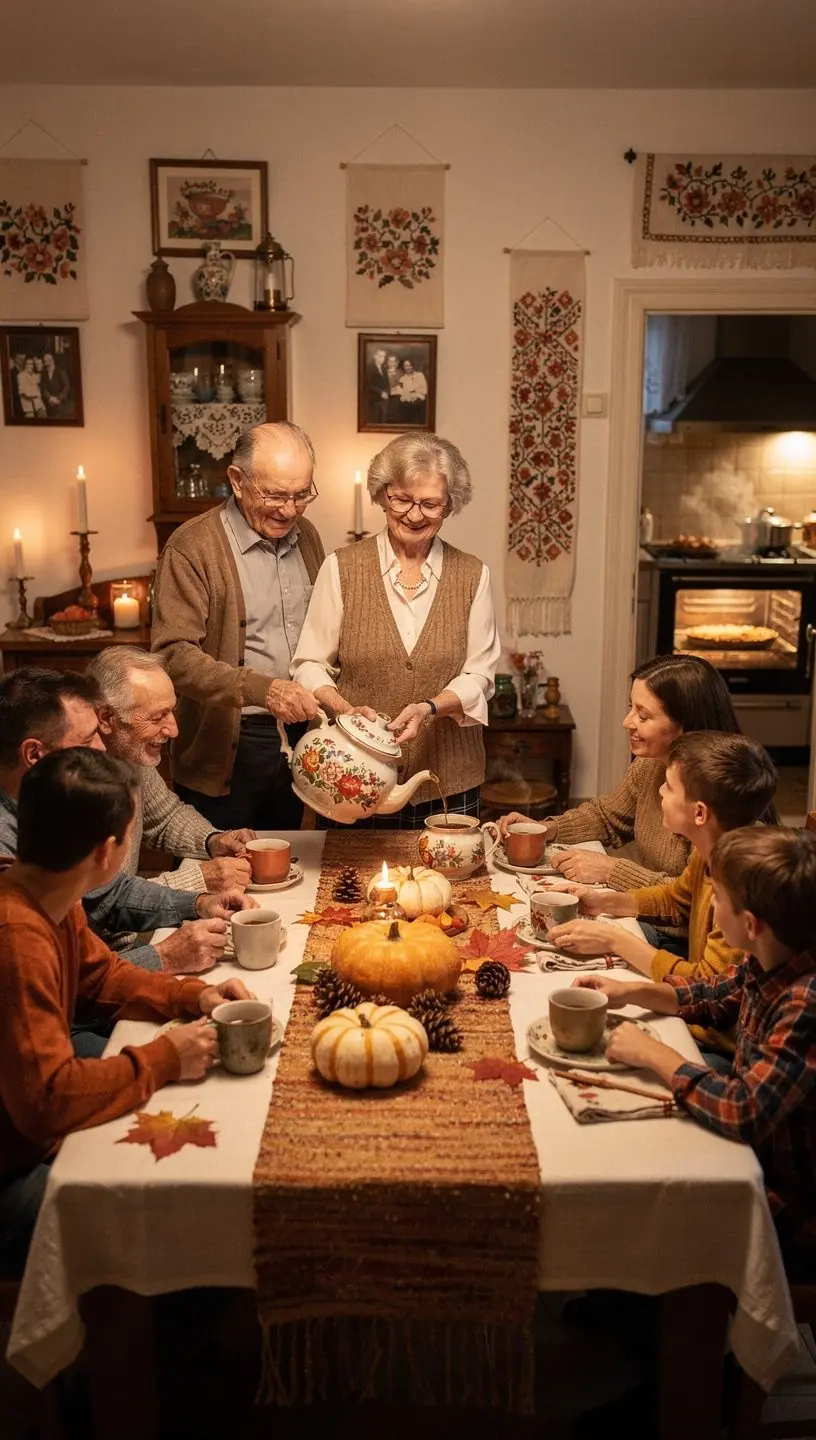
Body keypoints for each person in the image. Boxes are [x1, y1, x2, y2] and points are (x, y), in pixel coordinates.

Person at [0, 747, 252, 1276]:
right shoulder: (17, 936)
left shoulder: (46, 889)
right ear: (108, 850)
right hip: (13, 1167)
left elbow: (103, 977)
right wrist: (164, 1057)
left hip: (27, 1130)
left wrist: (192, 997)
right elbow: (48, 1099)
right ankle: (131, 1345)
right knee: (167, 1207)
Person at [574, 825, 816, 1279]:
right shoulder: (768, 956)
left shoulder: (805, 1003)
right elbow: (711, 994)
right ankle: (620, 1301)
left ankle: (676, 1330)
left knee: (653, 1189)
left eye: (718, 897)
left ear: (750, 924)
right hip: (754, 1160)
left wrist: (655, 1055)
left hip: (782, 1201)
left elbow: (743, 1110)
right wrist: (632, 992)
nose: (711, 905)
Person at [292, 431, 500, 828]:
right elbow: (308, 664)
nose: (414, 514)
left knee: (450, 891)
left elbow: (480, 675)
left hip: (447, 782)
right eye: (401, 499)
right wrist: (345, 710)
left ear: (450, 505)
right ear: (382, 494)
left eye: (430, 503)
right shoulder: (341, 568)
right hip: (355, 778)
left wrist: (430, 707)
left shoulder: (474, 575)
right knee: (347, 888)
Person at [0, 669, 248, 983]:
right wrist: (162, 957)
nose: (101, 748)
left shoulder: (56, 801)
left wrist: (198, 903)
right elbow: (58, 990)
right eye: (87, 739)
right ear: (34, 754)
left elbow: (107, 893)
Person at [549, 731, 778, 1057]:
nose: (659, 790)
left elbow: (706, 984)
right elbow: (677, 899)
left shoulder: (743, 887)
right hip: (692, 1013)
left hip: (717, 1044)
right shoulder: (710, 848)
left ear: (699, 813)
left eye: (669, 787)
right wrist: (605, 901)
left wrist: (616, 941)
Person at [151, 421, 324, 830]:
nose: (289, 509)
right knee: (217, 875)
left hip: (298, 736)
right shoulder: (192, 546)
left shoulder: (309, 536)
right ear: (237, 481)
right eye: (275, 494)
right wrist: (265, 690)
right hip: (229, 742)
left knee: (286, 871)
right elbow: (173, 656)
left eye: (302, 494)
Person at [499, 654, 746, 889]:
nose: (627, 722)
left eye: (643, 716)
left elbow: (693, 901)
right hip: (644, 908)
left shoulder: (720, 796)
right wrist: (545, 829)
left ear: (686, 724)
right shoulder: (651, 762)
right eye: (631, 708)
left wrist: (612, 871)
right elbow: (608, 817)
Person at [87, 647, 254, 894]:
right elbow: (100, 901)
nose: (173, 730)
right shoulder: (75, 782)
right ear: (106, 717)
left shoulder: (127, 751)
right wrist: (198, 879)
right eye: (157, 717)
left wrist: (213, 840)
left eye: (171, 711)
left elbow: (165, 818)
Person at [40, 350, 71, 419]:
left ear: (52, 361)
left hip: (61, 405)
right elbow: (43, 388)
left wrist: (58, 398)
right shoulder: (43, 374)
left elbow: (66, 386)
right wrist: (50, 398)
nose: (46, 364)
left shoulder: (61, 372)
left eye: (48, 361)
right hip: (49, 405)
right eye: (44, 362)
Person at [365, 347, 391, 425]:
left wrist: (387, 393)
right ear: (375, 356)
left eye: (383, 356)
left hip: (384, 401)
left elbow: (386, 383)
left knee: (383, 422)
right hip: (374, 400)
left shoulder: (384, 368)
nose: (382, 359)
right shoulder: (369, 368)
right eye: (380, 356)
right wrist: (380, 393)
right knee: (375, 423)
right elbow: (368, 385)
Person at [386, 354, 402, 423]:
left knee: (394, 415)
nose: (392, 363)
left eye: (393, 361)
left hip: (396, 397)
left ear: (396, 362)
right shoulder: (384, 372)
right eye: (390, 361)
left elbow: (402, 384)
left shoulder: (400, 372)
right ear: (387, 362)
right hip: (386, 397)